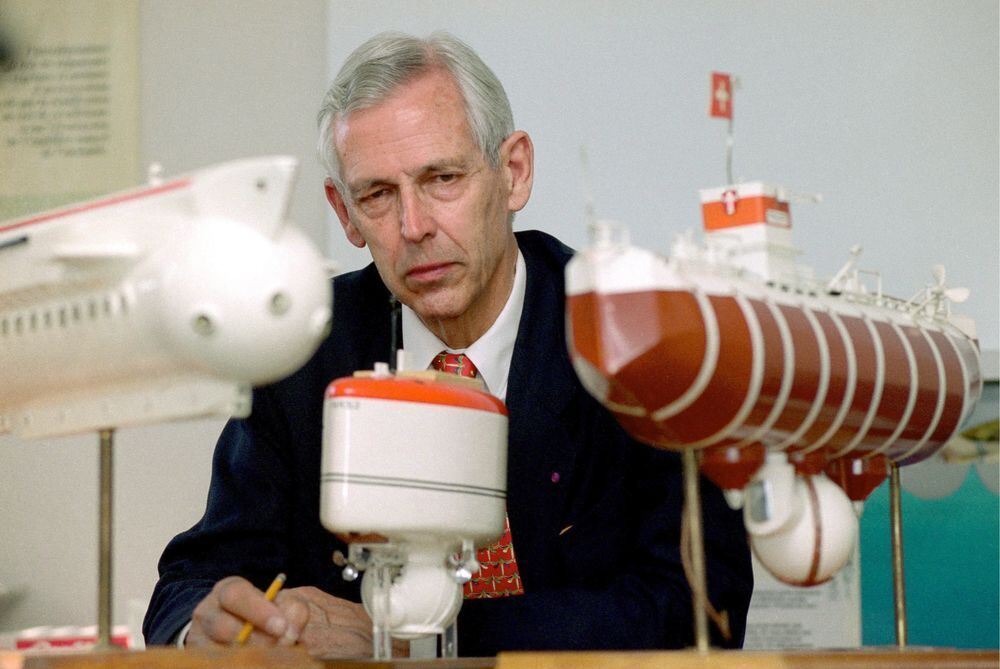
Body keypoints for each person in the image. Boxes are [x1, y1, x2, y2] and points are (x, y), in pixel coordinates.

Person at [143, 31, 752, 656]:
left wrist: (414, 642)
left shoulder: (638, 336)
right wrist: (208, 626)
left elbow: (703, 609)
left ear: (513, 173)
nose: (414, 227)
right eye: (378, 195)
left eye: (442, 179)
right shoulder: (302, 351)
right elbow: (190, 585)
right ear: (345, 212)